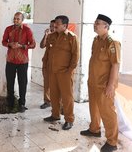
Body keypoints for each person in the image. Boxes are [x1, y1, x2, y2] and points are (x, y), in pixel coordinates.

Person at [80, 14, 121, 152]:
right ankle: (94, 129)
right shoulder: (96, 40)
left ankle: (112, 142)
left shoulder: (112, 43)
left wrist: (111, 85)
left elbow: (115, 65)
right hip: (93, 82)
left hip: (104, 85)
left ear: (106, 26)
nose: (94, 25)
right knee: (94, 108)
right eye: (95, 22)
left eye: (97, 23)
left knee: (108, 113)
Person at [43, 15, 79, 130]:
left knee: (67, 97)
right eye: (55, 23)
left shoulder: (72, 38)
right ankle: (55, 115)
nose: (55, 25)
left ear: (65, 25)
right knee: (54, 95)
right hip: (52, 71)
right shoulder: (51, 36)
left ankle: (69, 119)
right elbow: (48, 53)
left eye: (58, 23)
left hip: (65, 73)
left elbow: (75, 56)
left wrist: (70, 71)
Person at [2, 12, 36, 112]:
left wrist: (22, 46)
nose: (16, 20)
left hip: (23, 62)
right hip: (10, 61)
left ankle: (22, 104)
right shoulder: (8, 29)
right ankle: (10, 103)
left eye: (18, 19)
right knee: (10, 83)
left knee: (22, 83)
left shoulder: (27, 30)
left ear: (22, 20)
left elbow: (33, 44)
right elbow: (3, 41)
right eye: (15, 18)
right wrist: (10, 44)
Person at [39, 19, 56, 109]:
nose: (52, 28)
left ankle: (57, 103)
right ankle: (47, 101)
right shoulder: (49, 36)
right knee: (47, 83)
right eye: (50, 26)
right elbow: (42, 46)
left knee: (56, 84)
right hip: (46, 63)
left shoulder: (60, 37)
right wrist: (45, 36)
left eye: (53, 26)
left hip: (56, 64)